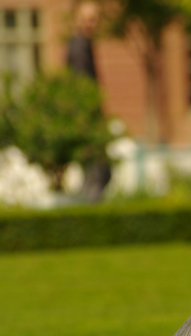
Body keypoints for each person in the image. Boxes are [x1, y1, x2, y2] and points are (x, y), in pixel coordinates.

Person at [66, 1, 111, 201]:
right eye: (88, 19)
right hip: (86, 118)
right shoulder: (78, 47)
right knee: (98, 173)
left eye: (95, 19)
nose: (92, 24)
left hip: (88, 116)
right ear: (78, 19)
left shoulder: (83, 44)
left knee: (97, 172)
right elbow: (82, 86)